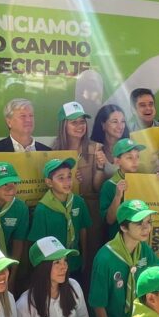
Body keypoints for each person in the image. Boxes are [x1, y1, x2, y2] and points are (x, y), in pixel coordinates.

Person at [89, 200, 159, 317]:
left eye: (148, 222)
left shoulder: (144, 250)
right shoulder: (105, 258)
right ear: (123, 227)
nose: (146, 228)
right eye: (139, 223)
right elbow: (98, 305)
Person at [53, 101, 106, 279]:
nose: (79, 126)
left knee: (89, 259)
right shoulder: (54, 151)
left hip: (91, 211)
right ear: (63, 125)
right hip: (63, 210)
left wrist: (99, 168)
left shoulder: (95, 148)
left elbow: (98, 187)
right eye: (74, 122)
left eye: (82, 121)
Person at [28, 158, 92, 280]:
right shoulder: (43, 209)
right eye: (61, 178)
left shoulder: (78, 202)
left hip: (74, 261)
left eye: (69, 176)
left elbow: (83, 229)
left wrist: (85, 257)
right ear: (49, 182)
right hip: (53, 267)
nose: (67, 182)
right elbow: (38, 242)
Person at [99, 138, 146, 241]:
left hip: (140, 239)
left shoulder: (143, 181)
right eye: (129, 157)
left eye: (137, 157)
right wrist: (117, 196)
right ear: (117, 161)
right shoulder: (109, 185)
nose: (135, 161)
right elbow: (109, 220)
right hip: (118, 240)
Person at [0, 98, 51, 165]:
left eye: (31, 116)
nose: (28, 120)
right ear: (9, 122)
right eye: (23, 116)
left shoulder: (48, 152)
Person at [90, 104, 130, 178]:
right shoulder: (94, 149)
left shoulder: (130, 147)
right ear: (103, 125)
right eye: (115, 122)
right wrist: (100, 167)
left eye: (123, 121)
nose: (120, 126)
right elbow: (96, 188)